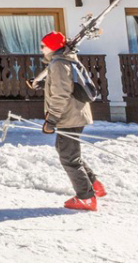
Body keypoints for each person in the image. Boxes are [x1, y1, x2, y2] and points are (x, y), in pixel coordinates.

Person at [39, 31, 107, 211]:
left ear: (53, 47)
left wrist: (51, 119)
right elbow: (65, 85)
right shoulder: (66, 60)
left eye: (43, 46)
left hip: (68, 116)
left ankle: (86, 197)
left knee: (68, 157)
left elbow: (61, 93)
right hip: (75, 114)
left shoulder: (59, 64)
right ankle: (94, 185)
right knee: (69, 152)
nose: (41, 49)